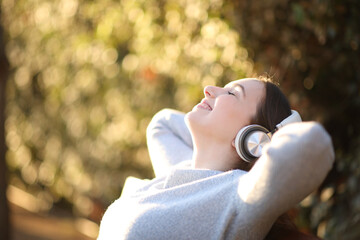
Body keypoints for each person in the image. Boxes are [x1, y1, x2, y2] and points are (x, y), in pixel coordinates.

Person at [97, 77, 334, 240]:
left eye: (232, 93)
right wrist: (214, 148)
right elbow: (163, 123)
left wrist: (271, 138)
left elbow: (314, 143)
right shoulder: (180, 172)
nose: (209, 89)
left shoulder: (240, 197)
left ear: (254, 138)